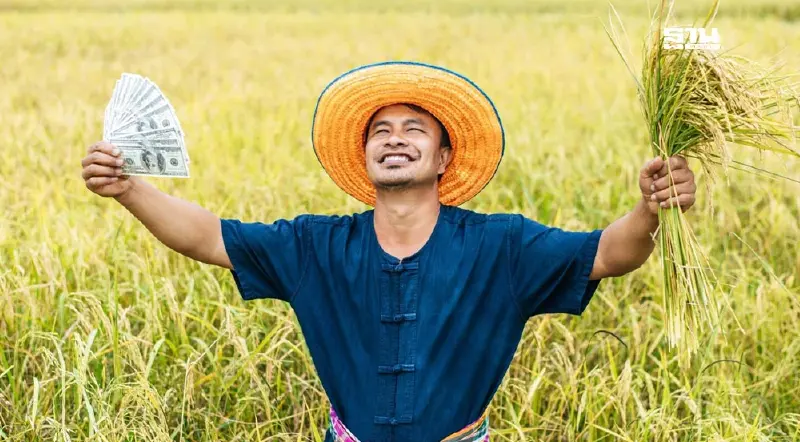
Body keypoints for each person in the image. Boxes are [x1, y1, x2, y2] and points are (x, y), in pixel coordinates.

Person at [80, 61, 697, 441]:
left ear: (444, 157)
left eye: (414, 131)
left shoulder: (500, 247)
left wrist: (650, 209)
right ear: (366, 156)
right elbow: (209, 236)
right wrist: (129, 188)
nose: (395, 140)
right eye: (381, 131)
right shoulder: (315, 246)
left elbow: (609, 254)